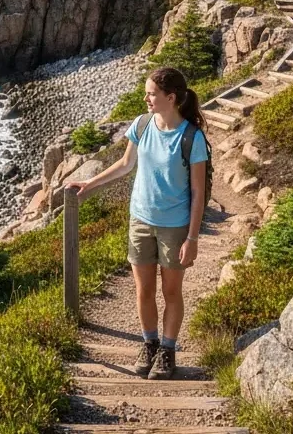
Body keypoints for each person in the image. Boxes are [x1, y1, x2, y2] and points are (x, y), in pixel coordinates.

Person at [66, 66, 209, 380]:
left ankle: (168, 351)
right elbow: (124, 164)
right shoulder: (142, 124)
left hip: (175, 226)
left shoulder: (191, 137)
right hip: (140, 220)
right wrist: (89, 185)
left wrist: (193, 238)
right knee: (143, 291)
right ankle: (150, 344)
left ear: (171, 98)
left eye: (151, 94)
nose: (146, 98)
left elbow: (198, 193)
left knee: (171, 292)